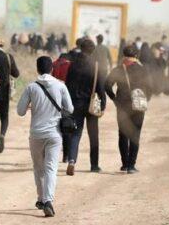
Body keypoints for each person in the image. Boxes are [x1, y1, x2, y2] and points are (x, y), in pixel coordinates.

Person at [17, 56, 74, 217]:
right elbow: (69, 109)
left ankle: (41, 198)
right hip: (55, 133)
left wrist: (31, 105)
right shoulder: (61, 86)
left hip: (36, 134)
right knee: (51, 168)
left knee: (38, 168)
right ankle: (48, 200)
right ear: (52, 69)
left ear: (37, 69)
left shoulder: (31, 87)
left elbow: (20, 111)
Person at [105, 45, 152, 173]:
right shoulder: (143, 70)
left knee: (123, 134)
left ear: (123, 55)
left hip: (122, 105)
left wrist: (114, 98)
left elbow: (107, 85)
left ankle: (125, 164)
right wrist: (145, 99)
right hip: (138, 105)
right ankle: (131, 165)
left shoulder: (118, 70)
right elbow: (150, 88)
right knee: (135, 135)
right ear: (136, 55)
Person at [65, 39, 106, 175]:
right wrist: (103, 105)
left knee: (76, 133)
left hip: (76, 103)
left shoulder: (73, 64)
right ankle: (94, 165)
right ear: (92, 50)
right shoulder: (95, 65)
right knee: (93, 135)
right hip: (91, 104)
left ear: (80, 48)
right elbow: (100, 87)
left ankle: (71, 160)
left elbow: (67, 84)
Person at [0, 37, 20, 154]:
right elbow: (16, 74)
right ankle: (2, 134)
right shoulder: (8, 57)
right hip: (4, 92)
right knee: (4, 116)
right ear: (2, 45)